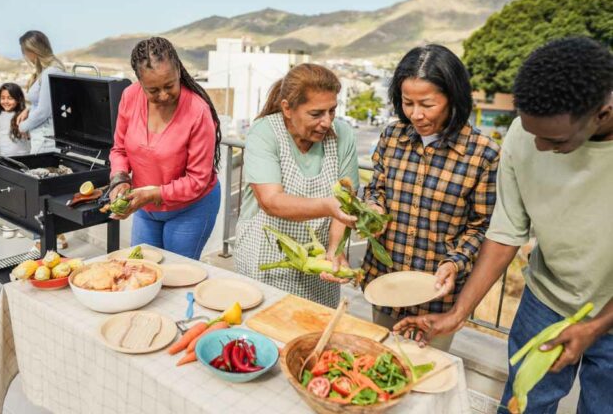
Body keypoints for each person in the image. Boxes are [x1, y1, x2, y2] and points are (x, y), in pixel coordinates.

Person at [394, 37, 613, 413]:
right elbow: (505, 232)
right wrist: (457, 314)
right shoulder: (521, 135)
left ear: (603, 113)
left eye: (555, 140)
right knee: (522, 405)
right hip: (546, 299)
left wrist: (596, 327)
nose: (539, 148)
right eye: (532, 134)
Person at [361, 44, 500, 351]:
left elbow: (482, 225)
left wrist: (455, 262)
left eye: (427, 104)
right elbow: (376, 188)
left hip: (436, 295)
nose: (416, 114)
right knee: (379, 361)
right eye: (407, 103)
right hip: (386, 281)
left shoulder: (483, 153)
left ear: (453, 98)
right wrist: (373, 208)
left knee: (424, 371)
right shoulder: (392, 136)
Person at [235, 63, 359, 307]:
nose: (327, 122)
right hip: (265, 261)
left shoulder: (343, 135)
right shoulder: (264, 133)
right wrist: (328, 205)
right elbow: (271, 201)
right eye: (316, 114)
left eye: (332, 111)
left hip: (318, 268)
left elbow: (345, 205)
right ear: (287, 109)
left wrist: (334, 249)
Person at [108, 37, 221, 260]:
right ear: (140, 82)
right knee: (140, 269)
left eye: (169, 86)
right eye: (153, 90)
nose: (163, 95)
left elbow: (198, 180)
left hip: (191, 208)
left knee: (176, 277)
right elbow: (119, 150)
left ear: (179, 71)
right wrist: (119, 179)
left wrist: (153, 193)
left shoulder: (198, 111)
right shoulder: (130, 97)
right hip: (147, 208)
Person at [15, 30, 65, 154]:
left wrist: (22, 127)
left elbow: (44, 111)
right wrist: (28, 109)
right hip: (42, 137)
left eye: (25, 52)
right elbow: (46, 102)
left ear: (34, 50)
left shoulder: (51, 72)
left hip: (45, 140)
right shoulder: (47, 70)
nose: (25, 56)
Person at [0, 83, 30, 157]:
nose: (6, 101)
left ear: (18, 99)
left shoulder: (23, 116)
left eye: (10, 98)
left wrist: (27, 110)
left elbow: (38, 110)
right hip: (4, 158)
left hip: (23, 158)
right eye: (3, 98)